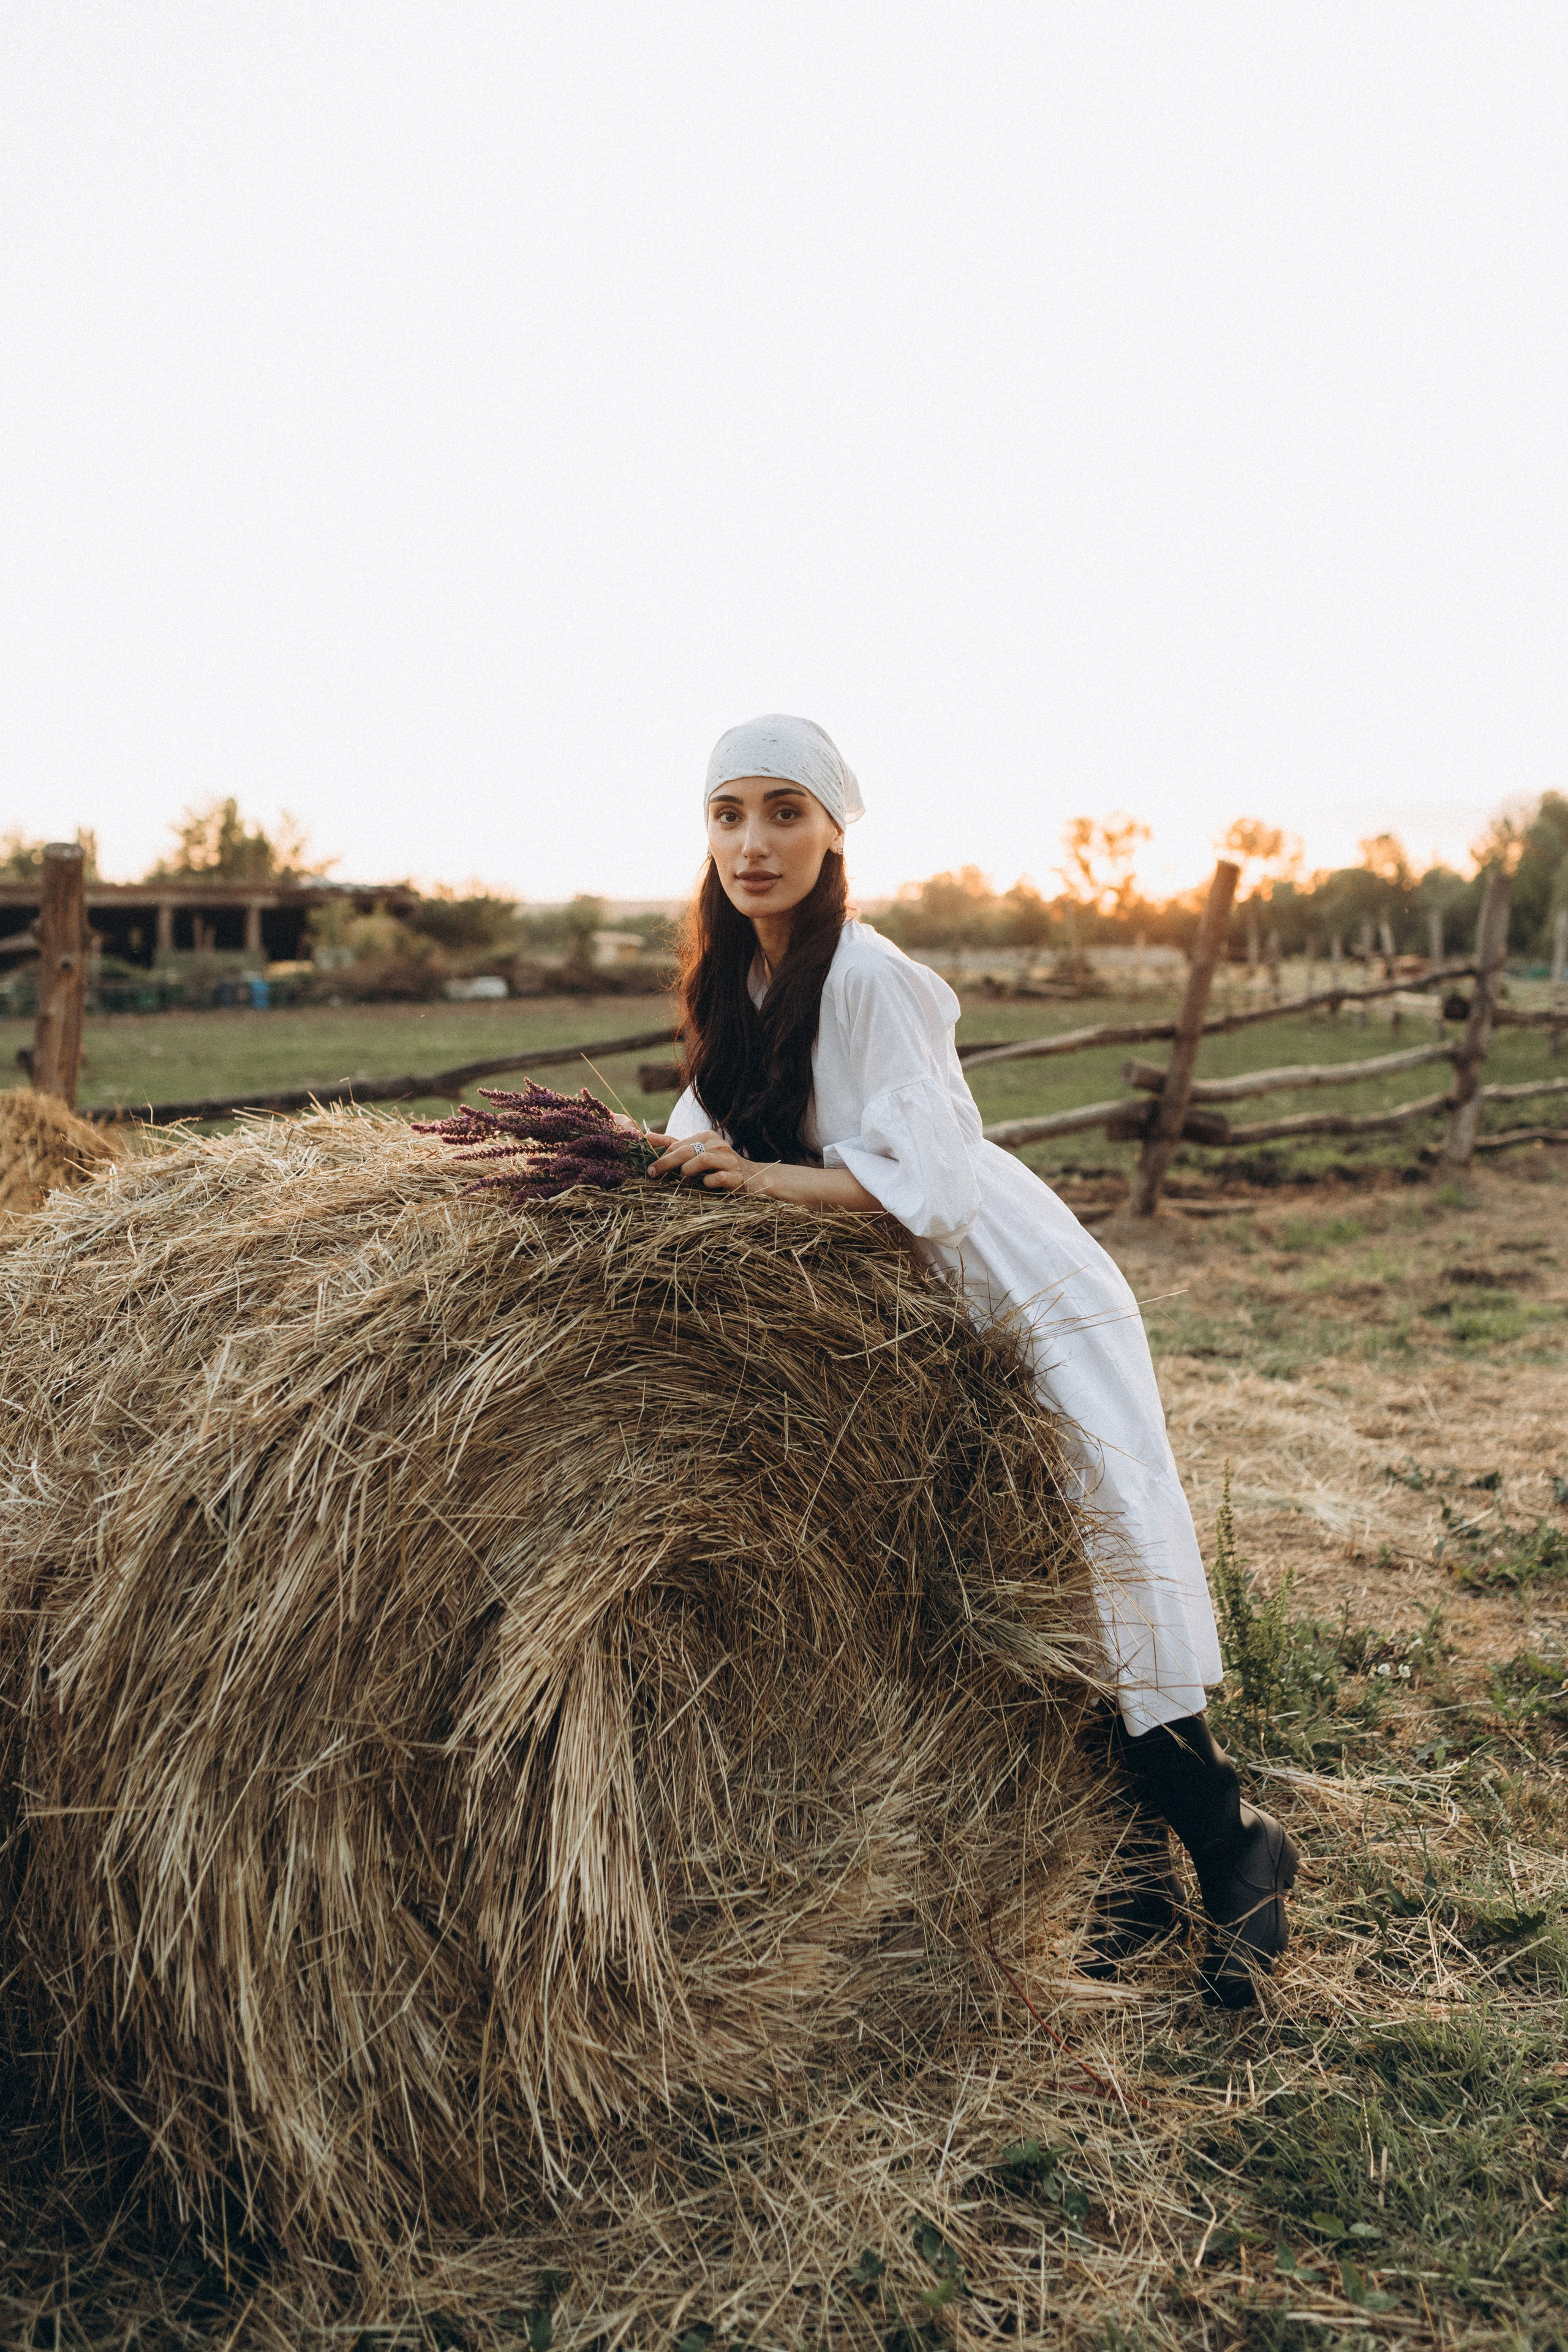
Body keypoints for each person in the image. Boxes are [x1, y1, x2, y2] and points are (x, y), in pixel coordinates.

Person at [649, 714, 1298, 2007]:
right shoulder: (739, 979)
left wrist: (755, 1182)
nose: (753, 842)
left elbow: (931, 1190)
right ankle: (1129, 1879)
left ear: (836, 829)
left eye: (785, 811)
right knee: (1007, 1591)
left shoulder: (872, 976)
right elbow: (719, 1130)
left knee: (1091, 1571)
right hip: (911, 1314)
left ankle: (1232, 1845)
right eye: (729, 814)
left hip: (1012, 1293)